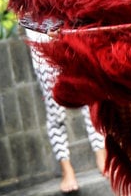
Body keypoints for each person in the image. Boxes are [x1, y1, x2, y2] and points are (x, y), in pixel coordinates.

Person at [26, 28, 108, 194]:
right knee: (55, 110)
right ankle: (66, 169)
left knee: (89, 97)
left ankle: (102, 155)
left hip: (72, 35)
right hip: (41, 43)